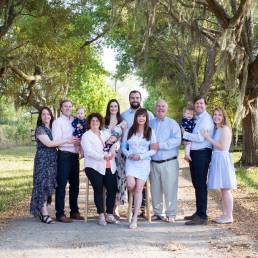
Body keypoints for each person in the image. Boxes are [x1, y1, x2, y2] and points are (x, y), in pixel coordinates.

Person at [30, 107, 77, 224]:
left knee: (49, 185)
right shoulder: (40, 130)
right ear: (40, 117)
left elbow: (56, 142)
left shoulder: (51, 128)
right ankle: (44, 213)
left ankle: (42, 210)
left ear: (51, 116)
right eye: (43, 114)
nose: (46, 116)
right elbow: (50, 143)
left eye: (48, 114)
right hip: (43, 160)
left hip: (52, 160)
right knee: (42, 185)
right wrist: (67, 140)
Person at [81, 113, 119, 226]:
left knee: (112, 189)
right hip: (93, 166)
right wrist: (103, 156)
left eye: (97, 121)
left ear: (100, 122)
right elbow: (88, 152)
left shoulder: (105, 133)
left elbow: (117, 141)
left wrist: (113, 148)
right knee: (98, 189)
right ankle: (101, 215)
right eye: (92, 121)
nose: (95, 123)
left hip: (109, 165)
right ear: (89, 123)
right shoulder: (86, 136)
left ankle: (110, 214)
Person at [122, 108, 157, 229]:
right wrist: (128, 155)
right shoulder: (129, 131)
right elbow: (123, 147)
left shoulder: (151, 132)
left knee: (138, 189)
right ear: (136, 118)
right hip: (131, 163)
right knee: (131, 185)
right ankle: (136, 201)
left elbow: (154, 150)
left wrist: (141, 156)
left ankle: (134, 217)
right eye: (139, 116)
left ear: (146, 118)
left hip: (143, 163)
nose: (141, 118)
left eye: (144, 116)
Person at [182, 96, 214, 225]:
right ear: (194, 105)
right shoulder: (196, 118)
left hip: (202, 153)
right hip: (195, 153)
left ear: (205, 104)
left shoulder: (206, 119)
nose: (199, 105)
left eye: (201, 103)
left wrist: (184, 134)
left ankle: (202, 216)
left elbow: (200, 138)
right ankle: (198, 212)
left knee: (200, 183)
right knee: (196, 183)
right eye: (197, 103)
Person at [202, 107, 237, 224]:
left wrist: (208, 138)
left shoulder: (225, 129)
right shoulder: (217, 129)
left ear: (223, 117)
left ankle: (229, 216)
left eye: (219, 115)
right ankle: (225, 214)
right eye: (215, 114)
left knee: (226, 189)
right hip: (217, 158)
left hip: (222, 159)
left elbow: (222, 146)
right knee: (223, 189)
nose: (216, 117)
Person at [52, 100, 84, 223]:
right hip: (64, 155)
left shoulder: (75, 120)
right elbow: (56, 141)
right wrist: (68, 140)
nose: (68, 108)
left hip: (75, 156)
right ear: (61, 108)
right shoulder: (57, 122)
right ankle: (60, 214)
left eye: (70, 106)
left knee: (75, 185)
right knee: (61, 185)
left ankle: (74, 211)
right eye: (65, 106)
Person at [150, 100, 181, 223]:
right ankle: (157, 213)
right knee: (155, 189)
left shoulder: (172, 123)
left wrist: (160, 145)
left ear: (166, 109)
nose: (160, 108)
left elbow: (177, 140)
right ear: (155, 108)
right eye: (158, 106)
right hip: (153, 162)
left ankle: (171, 213)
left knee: (170, 188)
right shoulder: (150, 123)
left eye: (163, 106)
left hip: (169, 162)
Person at [104, 99, 127, 218]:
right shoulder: (104, 122)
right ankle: (106, 207)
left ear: (118, 108)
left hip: (119, 156)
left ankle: (115, 208)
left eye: (115, 106)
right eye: (111, 106)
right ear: (108, 108)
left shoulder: (123, 122)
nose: (113, 108)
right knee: (108, 181)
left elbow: (124, 140)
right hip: (106, 155)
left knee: (119, 180)